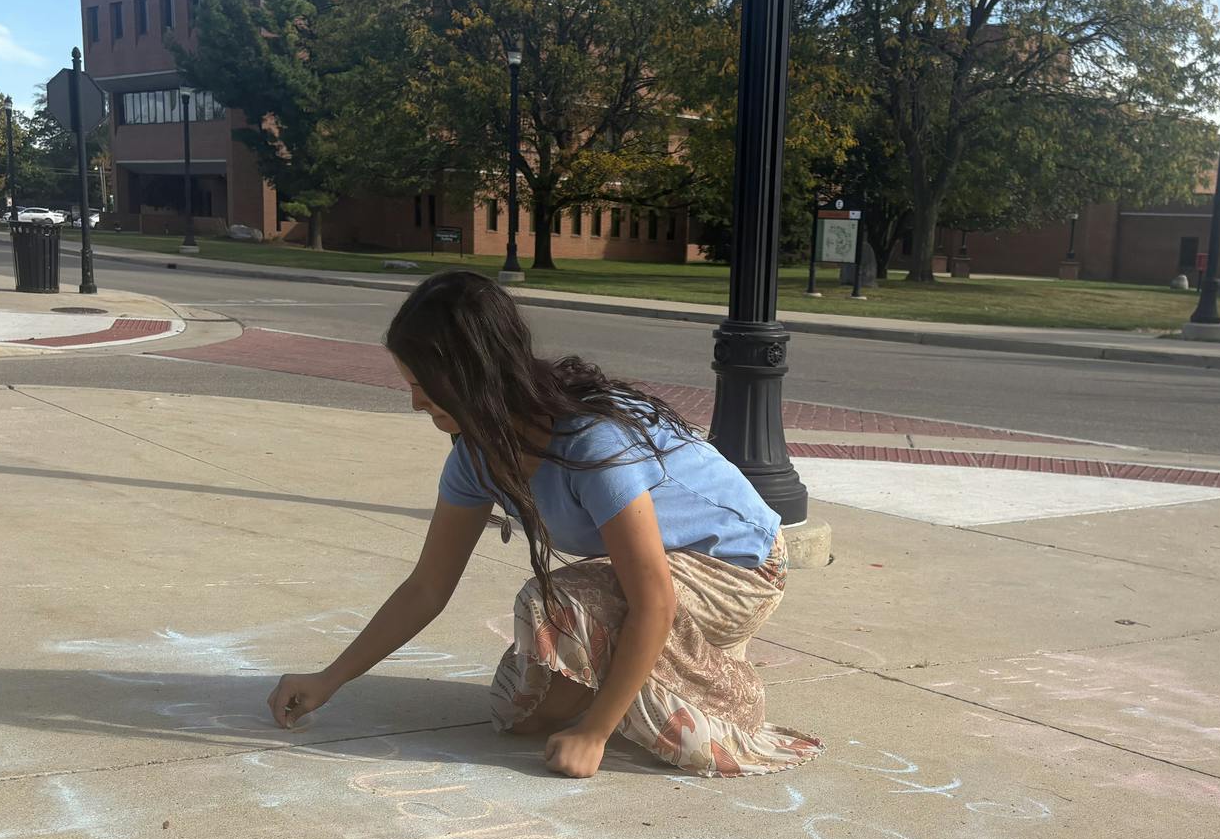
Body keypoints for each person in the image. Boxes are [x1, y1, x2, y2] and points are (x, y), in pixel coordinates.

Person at [266, 270, 821, 780]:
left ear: (473, 375)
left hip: (742, 567)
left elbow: (653, 598)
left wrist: (596, 732)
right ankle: (665, 663)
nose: (415, 404)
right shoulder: (475, 456)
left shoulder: (593, 442)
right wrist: (330, 678)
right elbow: (427, 586)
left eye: (424, 385)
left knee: (555, 607)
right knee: (521, 712)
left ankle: (720, 680)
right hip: (666, 574)